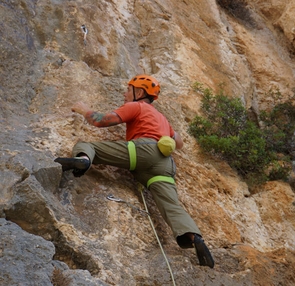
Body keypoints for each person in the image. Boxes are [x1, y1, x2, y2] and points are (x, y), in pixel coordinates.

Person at [55, 74, 214, 268]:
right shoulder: (163, 119)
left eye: (128, 89)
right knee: (171, 205)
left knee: (89, 145)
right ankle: (194, 237)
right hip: (164, 164)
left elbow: (101, 120)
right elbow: (178, 143)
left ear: (139, 92)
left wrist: (84, 110)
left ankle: (83, 160)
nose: (124, 93)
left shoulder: (136, 106)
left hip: (141, 151)